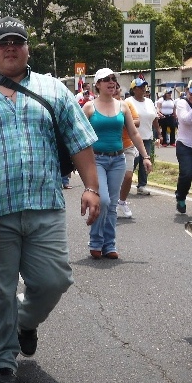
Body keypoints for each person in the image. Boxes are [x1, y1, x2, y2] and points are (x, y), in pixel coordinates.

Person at [0, 16, 100, 383]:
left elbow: (80, 141)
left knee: (54, 280)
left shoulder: (53, 89)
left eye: (17, 41)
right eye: (2, 43)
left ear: (27, 48)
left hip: (44, 204)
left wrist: (92, 187)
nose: (10, 48)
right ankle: (2, 361)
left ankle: (23, 322)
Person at [83, 69, 151, 259]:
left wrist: (145, 156)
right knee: (102, 200)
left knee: (112, 204)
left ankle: (109, 244)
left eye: (113, 79)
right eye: (106, 80)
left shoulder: (123, 107)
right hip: (96, 159)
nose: (111, 82)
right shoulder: (89, 107)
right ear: (97, 84)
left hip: (118, 160)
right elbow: (77, 133)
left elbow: (134, 133)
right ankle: (95, 241)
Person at [126, 78, 158, 197]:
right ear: (133, 89)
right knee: (132, 161)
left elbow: (154, 118)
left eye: (144, 87)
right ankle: (123, 183)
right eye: (140, 87)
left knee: (145, 161)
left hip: (147, 136)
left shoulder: (149, 102)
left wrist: (158, 132)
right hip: (132, 137)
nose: (143, 89)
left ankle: (142, 185)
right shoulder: (128, 101)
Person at [175, 79, 192, 217]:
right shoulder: (182, 104)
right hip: (185, 145)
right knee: (188, 173)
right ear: (187, 92)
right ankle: (180, 197)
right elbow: (186, 120)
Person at [114, 83, 140, 219]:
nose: (115, 92)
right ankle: (109, 204)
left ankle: (122, 202)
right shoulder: (100, 105)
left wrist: (125, 121)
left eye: (117, 90)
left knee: (128, 176)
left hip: (127, 145)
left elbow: (137, 122)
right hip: (109, 148)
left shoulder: (126, 105)